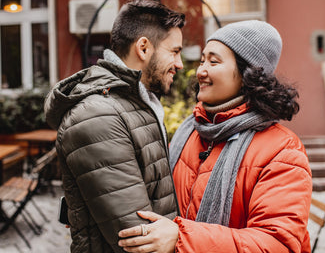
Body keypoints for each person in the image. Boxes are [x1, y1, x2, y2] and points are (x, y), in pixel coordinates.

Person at [118, 20, 313, 253]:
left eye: (214, 61)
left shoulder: (283, 151)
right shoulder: (191, 131)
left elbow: (277, 245)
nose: (200, 71)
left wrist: (182, 239)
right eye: (202, 60)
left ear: (247, 74)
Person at [44, 0, 185, 253]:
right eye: (174, 52)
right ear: (143, 48)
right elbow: (138, 240)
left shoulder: (139, 105)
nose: (179, 64)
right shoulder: (98, 116)